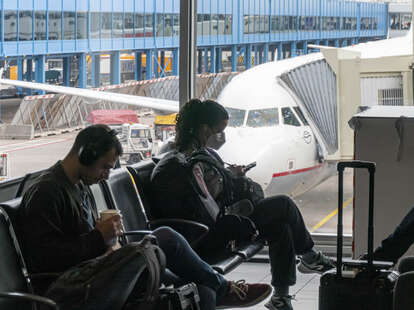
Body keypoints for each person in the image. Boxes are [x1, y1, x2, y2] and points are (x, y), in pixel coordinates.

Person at [17, 124, 271, 310]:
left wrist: (107, 243)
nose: (106, 175)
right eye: (104, 167)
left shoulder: (78, 186)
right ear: (85, 155)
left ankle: (218, 287)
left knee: (199, 287)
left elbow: (80, 240)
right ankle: (224, 288)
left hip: (95, 273)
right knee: (162, 240)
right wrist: (99, 238)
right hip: (69, 289)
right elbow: (43, 258)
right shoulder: (47, 191)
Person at [151, 99, 335, 310]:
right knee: (283, 205)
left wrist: (230, 176)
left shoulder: (197, 155)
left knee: (280, 226)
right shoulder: (190, 162)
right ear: (203, 128)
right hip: (217, 229)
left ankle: (281, 297)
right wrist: (231, 182)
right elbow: (209, 206)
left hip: (223, 221)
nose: (222, 137)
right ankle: (309, 255)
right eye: (218, 131)